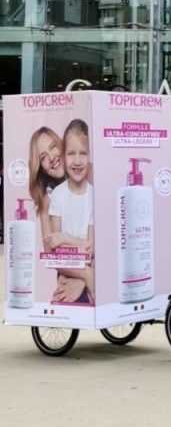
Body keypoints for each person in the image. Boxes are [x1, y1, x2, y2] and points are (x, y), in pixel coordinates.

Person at [45, 119, 95, 304]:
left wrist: (66, 238)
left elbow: (91, 250)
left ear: (90, 156)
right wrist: (87, 275)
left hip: (82, 271)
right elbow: (55, 249)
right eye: (71, 154)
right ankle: (87, 279)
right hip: (67, 274)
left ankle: (85, 281)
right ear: (63, 156)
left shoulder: (94, 195)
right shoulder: (58, 195)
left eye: (83, 154)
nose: (77, 161)